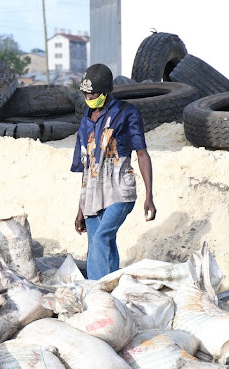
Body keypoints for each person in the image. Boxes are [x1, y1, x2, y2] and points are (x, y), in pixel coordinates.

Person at [72, 64, 156, 281]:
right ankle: (112, 293)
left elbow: (142, 154)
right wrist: (81, 209)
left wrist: (149, 196)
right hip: (91, 192)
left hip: (118, 188)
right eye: (85, 92)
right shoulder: (85, 120)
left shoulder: (126, 113)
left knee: (101, 238)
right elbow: (85, 164)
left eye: (93, 93)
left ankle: (96, 293)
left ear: (106, 92)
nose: (88, 97)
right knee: (100, 242)